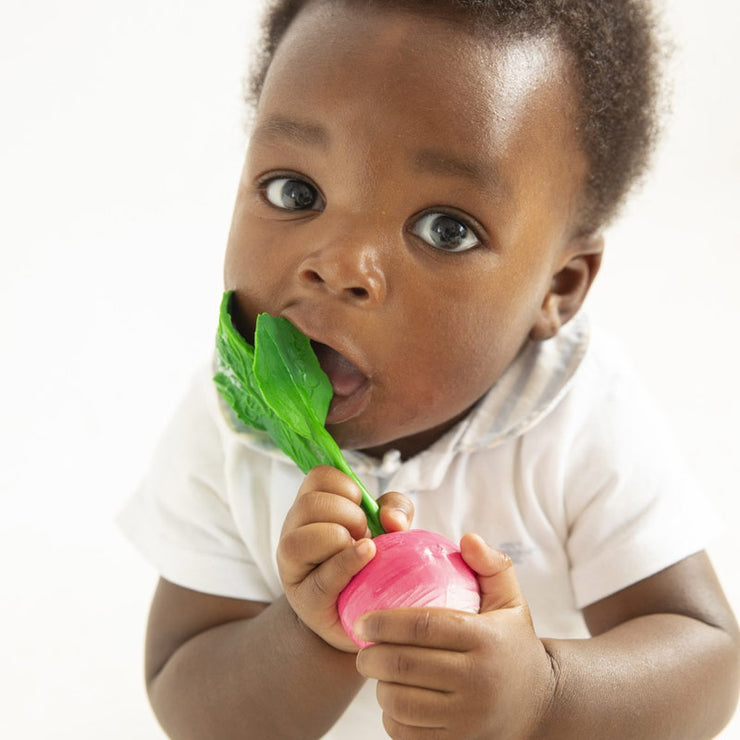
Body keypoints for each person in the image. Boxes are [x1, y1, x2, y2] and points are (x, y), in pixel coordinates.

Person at [118, 0, 740, 737]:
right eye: (296, 192)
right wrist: (309, 631)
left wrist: (544, 696)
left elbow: (706, 657)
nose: (340, 265)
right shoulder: (229, 430)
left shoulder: (577, 415)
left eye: (445, 229)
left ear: (559, 287)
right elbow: (187, 697)